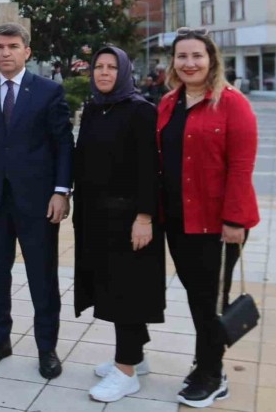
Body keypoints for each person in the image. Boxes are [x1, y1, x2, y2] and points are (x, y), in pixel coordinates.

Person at [0, 22, 74, 379]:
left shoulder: (48, 91)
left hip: (38, 202)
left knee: (42, 278)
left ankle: (46, 349)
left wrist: (61, 191)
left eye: (12, 46)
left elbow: (63, 145)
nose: (5, 52)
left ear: (27, 51)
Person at [158, 27, 259, 408]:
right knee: (197, 296)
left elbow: (242, 166)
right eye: (182, 56)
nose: (189, 63)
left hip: (217, 224)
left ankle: (213, 376)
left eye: (197, 56)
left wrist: (234, 220)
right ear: (173, 62)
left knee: (212, 300)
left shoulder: (232, 103)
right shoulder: (169, 103)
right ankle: (205, 361)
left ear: (211, 59)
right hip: (178, 220)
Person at [73, 46, 165, 402]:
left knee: (128, 292)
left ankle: (125, 371)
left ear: (124, 72)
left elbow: (149, 168)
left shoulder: (140, 110)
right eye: (99, 66)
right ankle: (135, 356)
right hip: (99, 218)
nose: (104, 72)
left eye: (112, 67)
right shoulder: (95, 108)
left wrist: (145, 217)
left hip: (130, 219)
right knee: (112, 288)